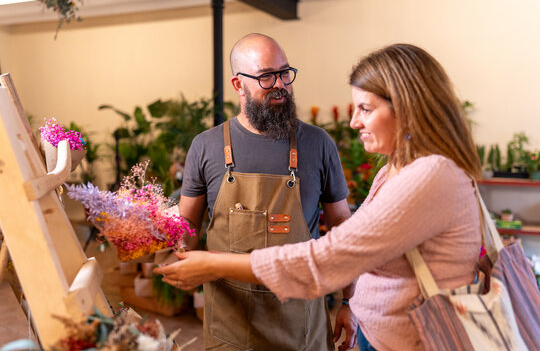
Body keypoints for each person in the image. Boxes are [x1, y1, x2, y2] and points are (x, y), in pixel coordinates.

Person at [155, 43, 483, 350]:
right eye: (267, 76)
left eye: (365, 108)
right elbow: (355, 250)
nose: (354, 122)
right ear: (238, 85)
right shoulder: (392, 171)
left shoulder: (431, 175)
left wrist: (214, 263)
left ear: (408, 107)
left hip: (412, 339)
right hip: (379, 335)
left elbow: (332, 255)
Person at [159, 33, 358, 351]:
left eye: (284, 72)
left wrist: (351, 301)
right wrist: (157, 241)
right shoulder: (206, 146)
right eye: (266, 76)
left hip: (301, 329)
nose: (280, 84)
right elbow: (187, 230)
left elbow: (342, 230)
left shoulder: (318, 143)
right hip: (231, 329)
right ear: (238, 85)